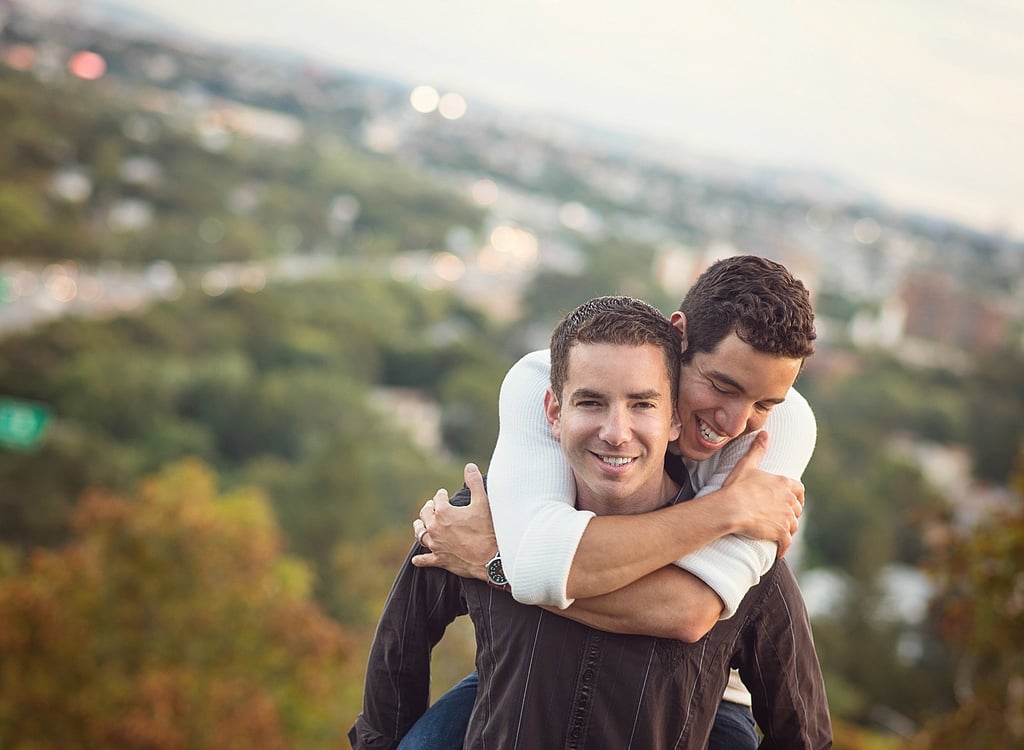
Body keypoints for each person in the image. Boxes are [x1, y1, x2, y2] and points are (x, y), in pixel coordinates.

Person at [349, 294, 831, 749]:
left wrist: (497, 566)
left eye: (642, 404)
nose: (616, 433)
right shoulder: (482, 517)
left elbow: (803, 731)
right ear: (555, 411)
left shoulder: (743, 558)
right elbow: (400, 643)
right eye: (591, 402)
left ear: (674, 420)